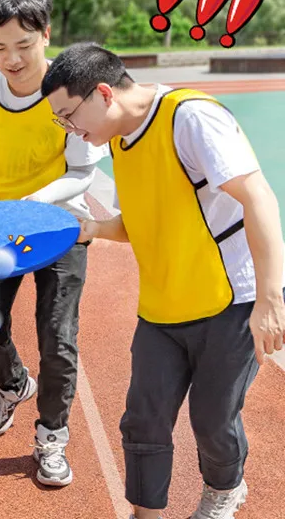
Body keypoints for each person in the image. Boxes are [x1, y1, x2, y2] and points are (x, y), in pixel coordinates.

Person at [40, 42, 285, 519]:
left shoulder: (190, 118)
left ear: (103, 93)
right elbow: (140, 221)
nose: (71, 130)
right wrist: (91, 228)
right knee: (143, 420)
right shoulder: (117, 139)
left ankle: (224, 489)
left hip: (230, 299)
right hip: (161, 307)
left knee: (212, 420)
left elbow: (258, 196)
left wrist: (271, 298)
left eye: (69, 116)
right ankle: (145, 514)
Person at [0, 0, 107, 488]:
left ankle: (52, 435)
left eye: (24, 45)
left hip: (59, 228)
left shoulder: (70, 88)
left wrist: (38, 201)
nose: (11, 59)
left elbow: (82, 171)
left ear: (46, 35)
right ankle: (14, 386)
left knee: (58, 339)